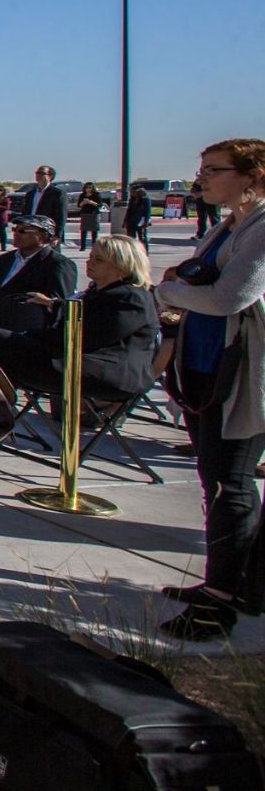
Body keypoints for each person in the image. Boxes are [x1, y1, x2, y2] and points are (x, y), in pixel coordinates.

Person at [153, 138, 265, 640]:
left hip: (240, 377)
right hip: (206, 371)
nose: (202, 179)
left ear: (252, 176)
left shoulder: (260, 228)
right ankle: (230, 580)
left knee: (230, 484)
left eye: (213, 171)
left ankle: (222, 601)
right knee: (216, 481)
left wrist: (168, 290)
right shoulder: (228, 226)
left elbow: (228, 298)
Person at [0, 235, 158, 411]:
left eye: (99, 260)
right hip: (80, 361)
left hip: (110, 373)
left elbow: (89, 337)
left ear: (122, 268)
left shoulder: (131, 297)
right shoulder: (100, 291)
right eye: (90, 257)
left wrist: (33, 335)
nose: (90, 263)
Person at [0, 215, 78, 331]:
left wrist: (6, 305)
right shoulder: (4, 259)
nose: (16, 233)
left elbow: (59, 306)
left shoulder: (58, 264)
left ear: (43, 235)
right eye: (15, 229)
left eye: (23, 230)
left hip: (25, 331)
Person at [75, 184, 106, 251]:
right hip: (85, 213)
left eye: (90, 187)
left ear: (92, 188)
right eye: (86, 187)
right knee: (83, 230)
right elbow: (79, 205)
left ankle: (94, 246)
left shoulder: (96, 195)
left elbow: (100, 205)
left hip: (94, 214)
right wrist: (83, 202)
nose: (88, 189)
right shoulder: (82, 195)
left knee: (94, 231)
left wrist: (91, 202)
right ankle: (83, 247)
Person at [126, 183, 153, 247]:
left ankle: (144, 253)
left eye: (132, 191)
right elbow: (129, 211)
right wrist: (125, 221)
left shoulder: (145, 199)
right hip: (131, 221)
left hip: (141, 221)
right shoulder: (132, 200)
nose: (131, 192)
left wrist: (146, 222)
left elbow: (147, 212)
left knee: (142, 238)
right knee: (131, 238)